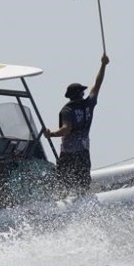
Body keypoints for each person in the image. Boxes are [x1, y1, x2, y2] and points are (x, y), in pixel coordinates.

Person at [43, 54, 109, 195]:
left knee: (63, 183)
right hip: (83, 151)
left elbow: (66, 130)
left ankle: (63, 201)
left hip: (69, 153)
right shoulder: (88, 104)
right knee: (83, 183)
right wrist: (103, 65)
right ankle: (82, 198)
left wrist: (51, 134)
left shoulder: (67, 110)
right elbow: (97, 84)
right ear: (80, 94)